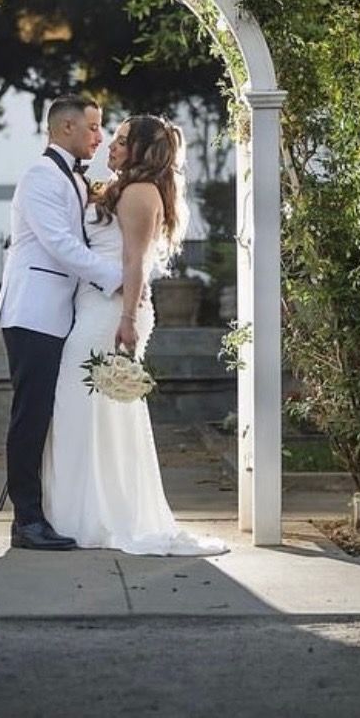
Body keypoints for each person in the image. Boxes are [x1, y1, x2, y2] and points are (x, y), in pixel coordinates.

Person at [42, 115, 230, 556]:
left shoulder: (142, 193)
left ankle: (103, 517)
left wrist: (126, 319)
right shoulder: (122, 187)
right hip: (96, 307)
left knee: (91, 409)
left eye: (123, 141)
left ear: (143, 151)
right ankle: (80, 512)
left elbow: (136, 262)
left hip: (112, 314)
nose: (111, 144)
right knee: (83, 411)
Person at [0, 95, 123, 550]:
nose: (99, 137)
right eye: (92, 128)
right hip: (32, 312)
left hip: (57, 314)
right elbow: (60, 244)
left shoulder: (72, 176)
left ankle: (39, 511)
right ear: (66, 127)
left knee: (44, 413)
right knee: (30, 415)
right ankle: (26, 521)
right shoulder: (39, 176)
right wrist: (117, 278)